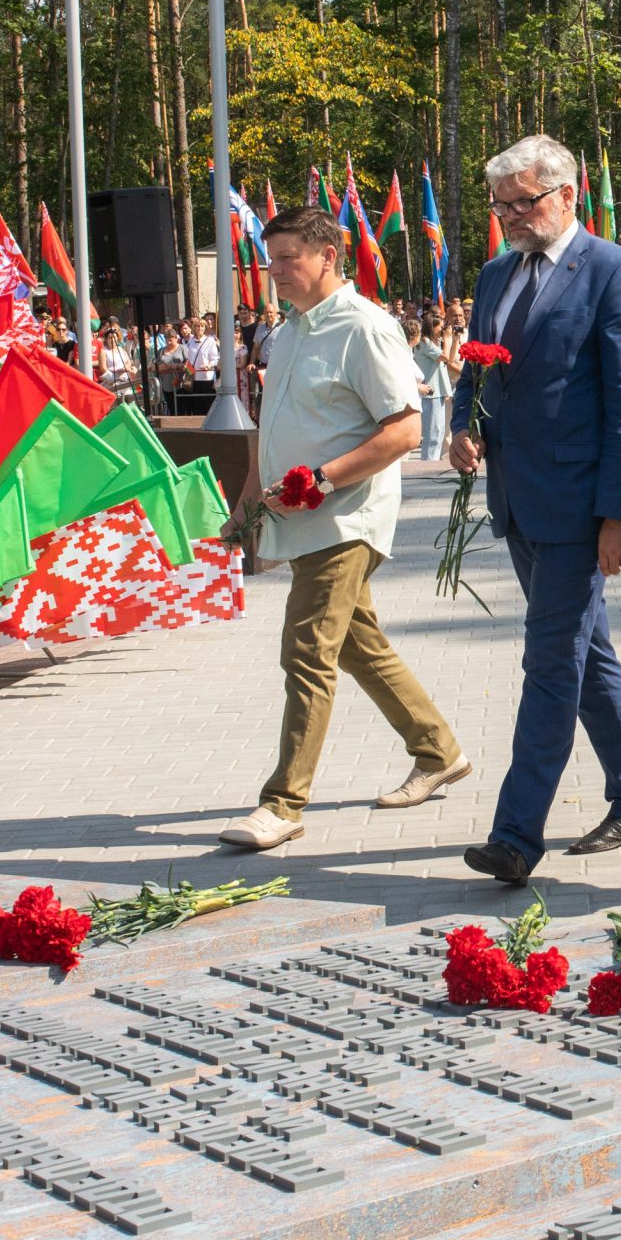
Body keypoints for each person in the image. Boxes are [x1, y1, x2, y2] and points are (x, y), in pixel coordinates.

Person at [451, 135, 621, 885]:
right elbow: (476, 363)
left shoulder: (615, 272)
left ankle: (515, 833)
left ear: (568, 195)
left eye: (525, 201)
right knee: (585, 651)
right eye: (502, 203)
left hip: (580, 506)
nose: (512, 215)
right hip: (516, 497)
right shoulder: (494, 276)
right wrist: (461, 425)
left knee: (549, 661)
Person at [219, 208, 466, 849]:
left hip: (345, 519)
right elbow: (270, 436)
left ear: (328, 256)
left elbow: (405, 431)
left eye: (288, 258)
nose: (275, 273)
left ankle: (283, 803)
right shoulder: (292, 330)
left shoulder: (366, 327)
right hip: (301, 520)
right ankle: (438, 750)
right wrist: (245, 510)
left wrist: (322, 481)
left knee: (306, 650)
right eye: (271, 259)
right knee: (357, 644)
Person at [409, 315, 453, 463]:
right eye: (439, 326)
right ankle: (428, 464)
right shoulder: (424, 342)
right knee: (432, 434)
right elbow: (445, 357)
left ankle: (432, 462)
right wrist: (447, 338)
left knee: (439, 432)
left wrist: (454, 340)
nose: (442, 329)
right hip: (430, 393)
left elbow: (450, 359)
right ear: (431, 327)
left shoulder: (434, 342)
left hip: (438, 391)